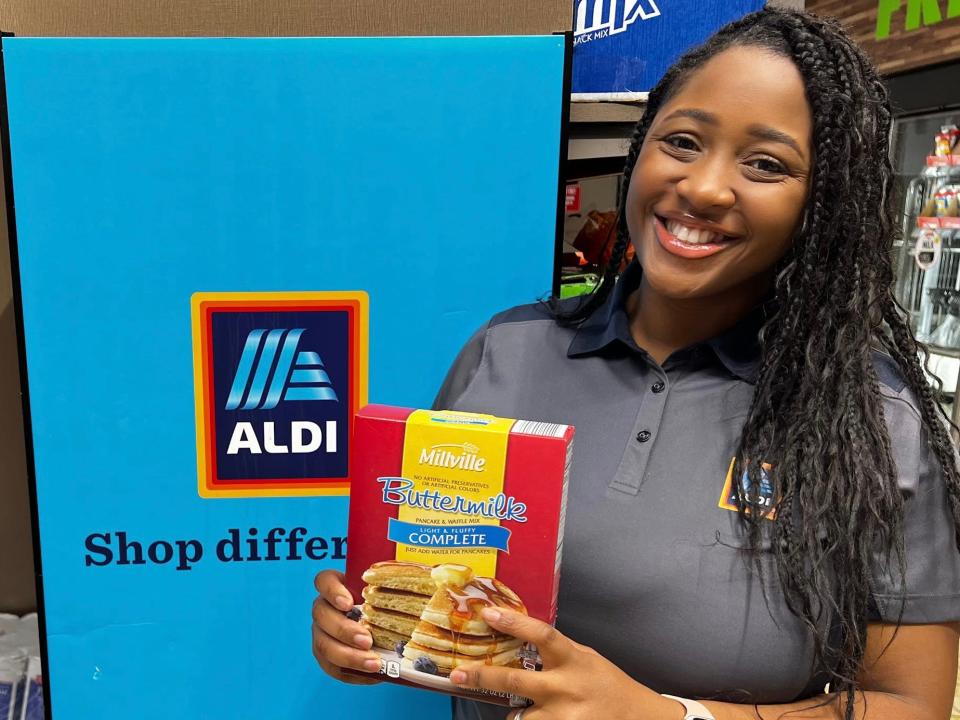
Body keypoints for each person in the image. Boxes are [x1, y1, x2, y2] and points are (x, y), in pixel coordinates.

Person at [312, 8, 960, 720]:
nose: (706, 188)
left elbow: (909, 705)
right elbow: (432, 589)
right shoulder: (505, 350)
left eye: (766, 164)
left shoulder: (873, 420)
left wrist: (669, 717)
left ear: (822, 204)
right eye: (683, 142)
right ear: (640, 149)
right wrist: (372, 634)